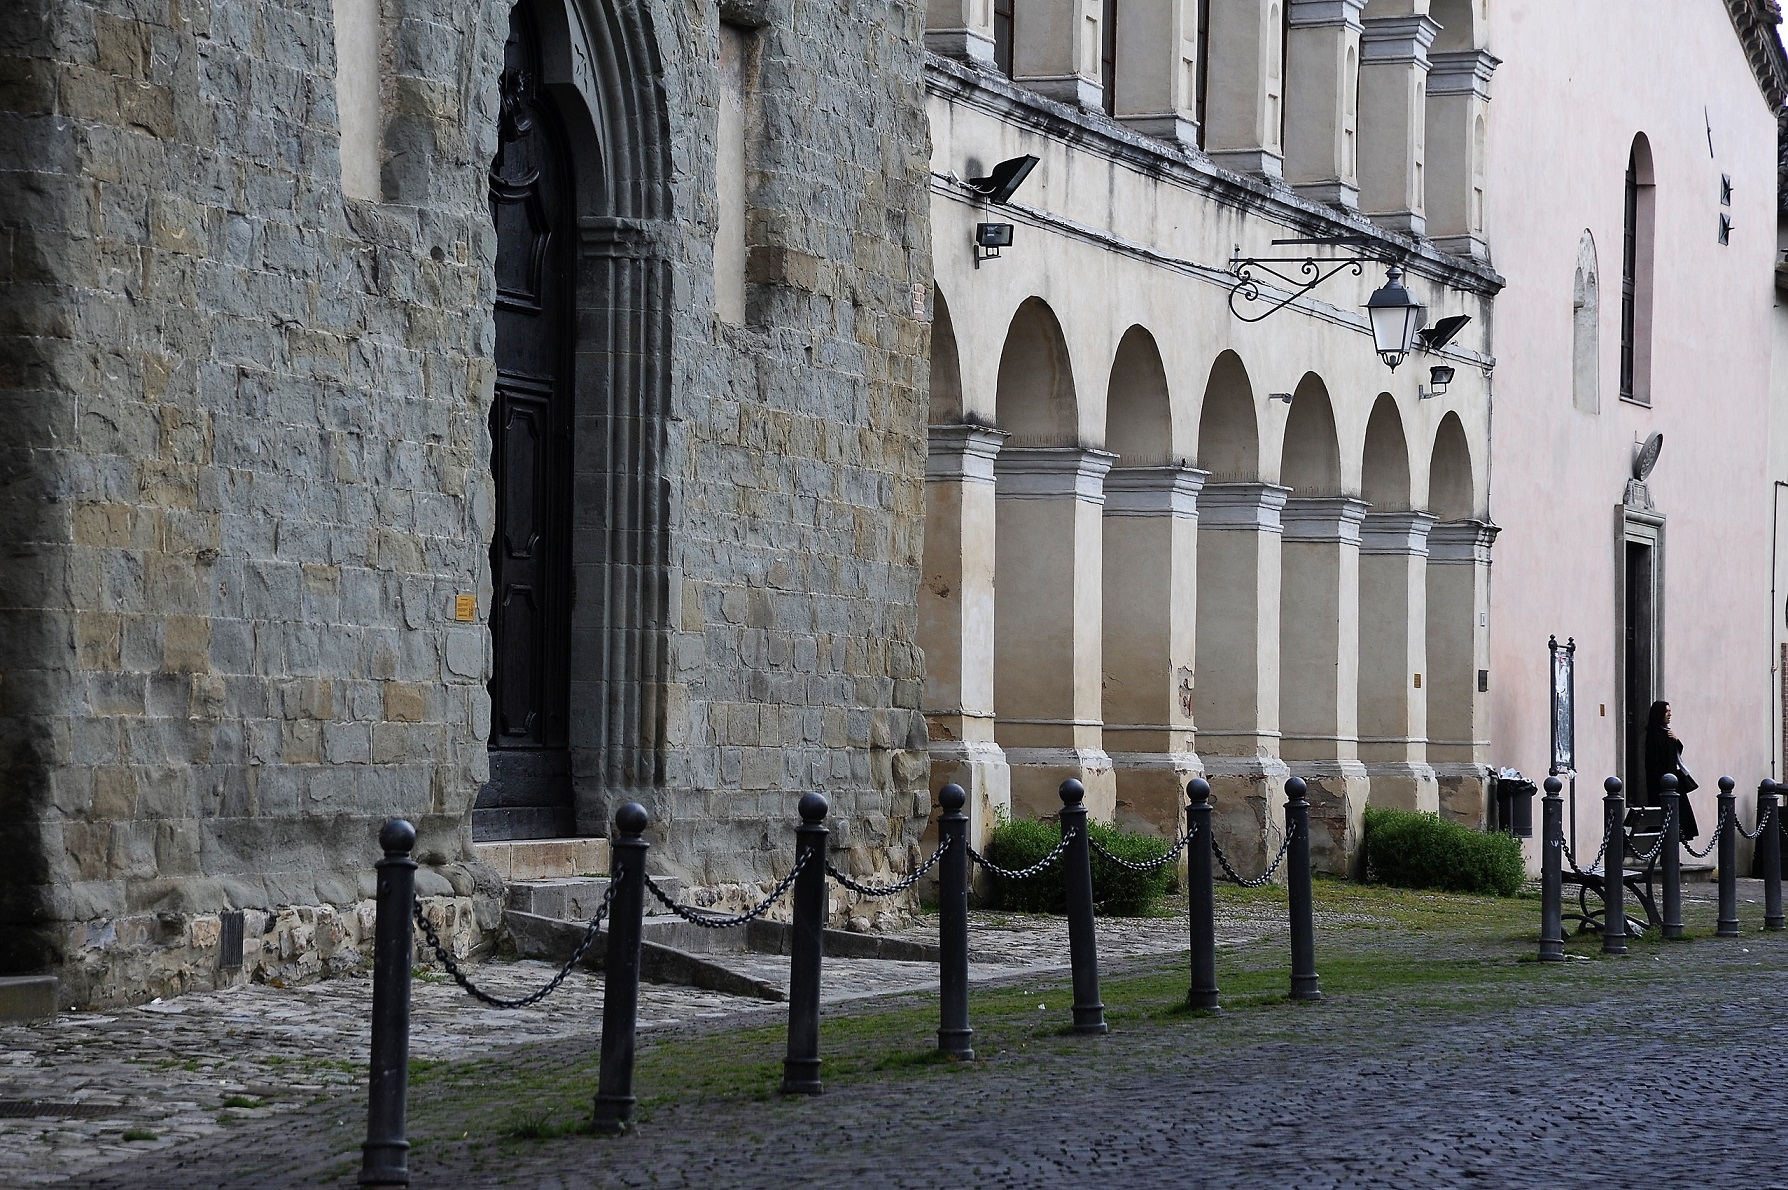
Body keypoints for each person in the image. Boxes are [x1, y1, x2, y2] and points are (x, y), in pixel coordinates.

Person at [1643, 700, 1700, 840]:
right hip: (1663, 784)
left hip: (1673, 782)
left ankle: (1672, 855)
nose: (1670, 714)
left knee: (1680, 816)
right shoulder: (1653, 735)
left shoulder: (1667, 732)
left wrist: (1677, 740)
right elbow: (1653, 761)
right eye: (1667, 711)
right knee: (1666, 818)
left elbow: (1675, 753)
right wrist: (1662, 781)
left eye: (1669, 711)